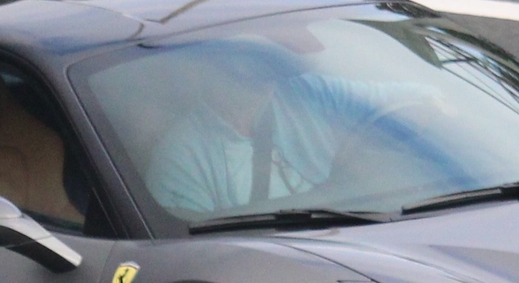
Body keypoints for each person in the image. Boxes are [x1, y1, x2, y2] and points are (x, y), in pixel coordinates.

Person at [143, 39, 434, 216]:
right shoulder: (180, 158)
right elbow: (197, 257)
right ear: (209, 70)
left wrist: (432, 111)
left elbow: (416, 99)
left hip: (359, 229)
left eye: (272, 69)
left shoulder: (305, 93)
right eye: (248, 71)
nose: (266, 83)